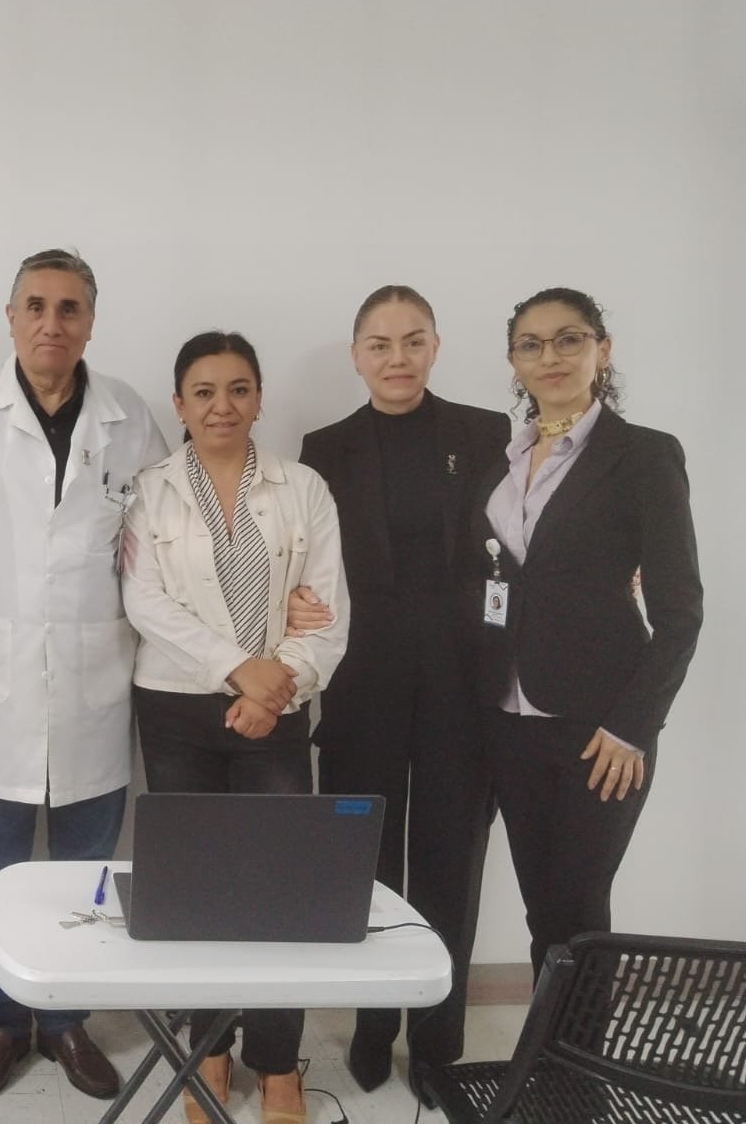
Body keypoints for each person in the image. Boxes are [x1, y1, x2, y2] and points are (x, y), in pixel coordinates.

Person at [0, 249, 168, 1103]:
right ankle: (4, 1023)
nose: (53, 323)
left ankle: (68, 1022)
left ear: (91, 321)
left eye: (70, 308)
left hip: (95, 684)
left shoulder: (128, 415)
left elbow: (173, 524)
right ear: (10, 317)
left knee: (85, 873)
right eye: (36, 306)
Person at [121, 330, 348, 1124]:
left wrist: (274, 686)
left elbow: (327, 608)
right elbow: (144, 602)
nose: (223, 405)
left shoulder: (303, 487)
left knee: (280, 884)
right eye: (205, 392)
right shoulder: (149, 490)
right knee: (197, 887)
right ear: (179, 404)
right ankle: (207, 1051)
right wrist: (236, 668)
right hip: (175, 707)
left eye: (239, 389)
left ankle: (278, 1063)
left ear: (258, 399)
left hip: (276, 707)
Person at [296, 286, 509, 1098]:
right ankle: (373, 1022)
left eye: (413, 341)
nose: (397, 358)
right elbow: (308, 562)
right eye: (379, 345)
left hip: (463, 688)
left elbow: (518, 544)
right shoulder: (325, 448)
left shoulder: (486, 434)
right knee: (367, 865)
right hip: (362, 688)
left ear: (435, 347)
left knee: (450, 866)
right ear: (357, 356)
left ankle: (438, 1043)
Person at [472, 287, 701, 979]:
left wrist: (634, 726)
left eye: (568, 339)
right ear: (514, 362)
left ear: (602, 349)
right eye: (531, 344)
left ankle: (579, 1049)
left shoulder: (642, 455)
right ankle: (550, 1044)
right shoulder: (501, 459)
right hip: (510, 719)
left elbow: (681, 612)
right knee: (543, 912)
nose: (550, 356)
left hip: (600, 728)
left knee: (579, 911)